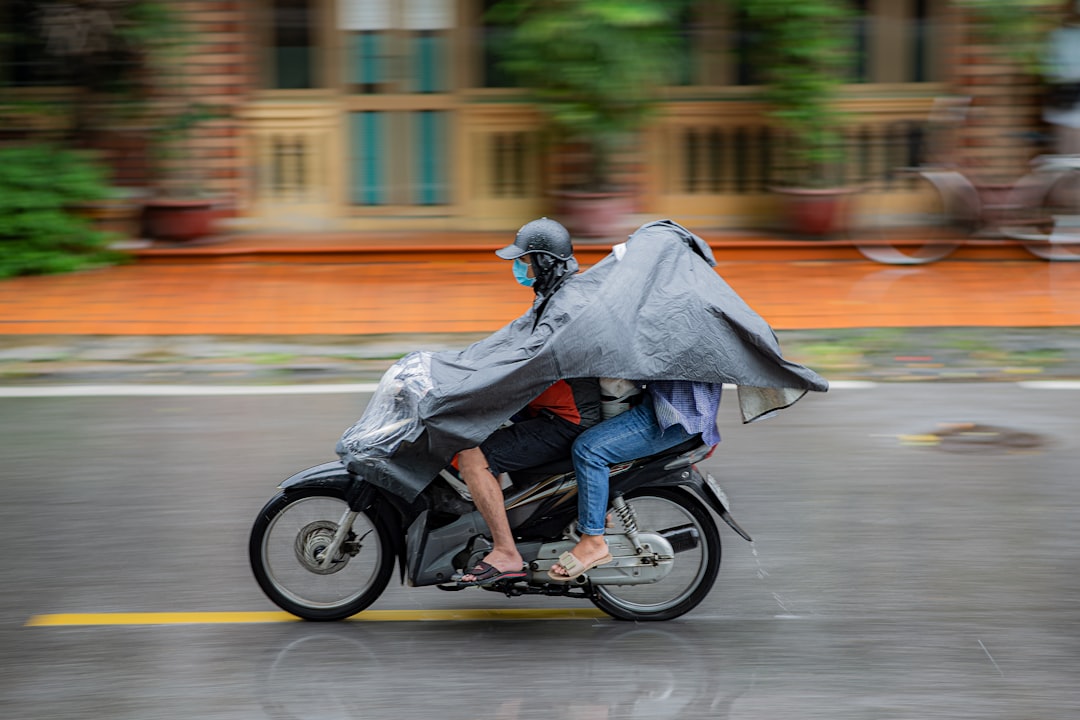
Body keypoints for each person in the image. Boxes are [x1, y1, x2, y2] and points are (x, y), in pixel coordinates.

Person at [457, 218, 603, 586]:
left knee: (473, 456)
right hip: (547, 407)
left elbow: (530, 363)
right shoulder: (554, 295)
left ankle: (506, 552)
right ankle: (506, 520)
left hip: (567, 419)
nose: (519, 268)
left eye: (525, 261)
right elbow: (511, 342)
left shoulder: (565, 305)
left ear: (545, 263)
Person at [548, 379, 722, 581]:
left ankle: (593, 540)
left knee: (589, 451)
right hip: (681, 409)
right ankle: (593, 510)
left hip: (672, 415)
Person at [1043, 1, 1080, 155]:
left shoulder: (1059, 36)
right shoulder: (1061, 37)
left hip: (1066, 108)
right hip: (1068, 107)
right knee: (1070, 160)